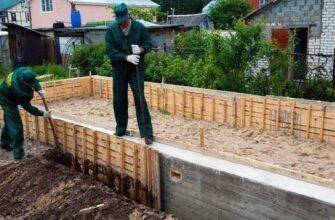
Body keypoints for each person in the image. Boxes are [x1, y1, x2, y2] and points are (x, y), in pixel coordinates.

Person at [105, 3, 154, 145]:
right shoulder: (111, 30)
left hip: (136, 70)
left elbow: (148, 44)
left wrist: (140, 49)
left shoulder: (139, 27)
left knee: (139, 98)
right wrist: (126, 57)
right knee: (119, 99)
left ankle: (147, 133)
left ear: (128, 16)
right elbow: (110, 51)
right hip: (119, 69)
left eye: (124, 20)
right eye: (119, 20)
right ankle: (121, 128)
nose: (122, 23)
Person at [0, 67, 51, 159]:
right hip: (6, 99)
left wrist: (39, 88)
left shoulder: (23, 71)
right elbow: (27, 107)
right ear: (23, 82)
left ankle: (4, 143)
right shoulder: (19, 90)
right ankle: (19, 154)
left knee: (9, 121)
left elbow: (34, 81)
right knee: (16, 126)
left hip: (8, 92)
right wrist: (42, 113)